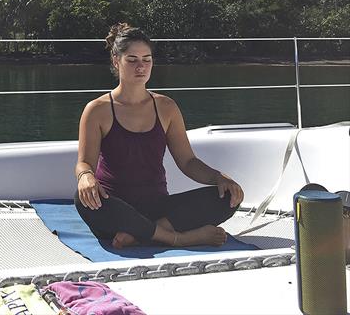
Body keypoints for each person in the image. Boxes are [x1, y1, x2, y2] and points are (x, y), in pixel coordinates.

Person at [75, 23, 244, 248]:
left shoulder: (166, 107)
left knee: (226, 198)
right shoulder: (97, 110)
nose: (141, 66)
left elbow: (187, 161)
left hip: (157, 206)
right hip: (116, 208)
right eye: (132, 59)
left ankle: (140, 233)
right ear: (116, 61)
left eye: (147, 59)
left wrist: (219, 178)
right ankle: (177, 238)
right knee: (82, 200)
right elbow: (84, 162)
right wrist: (85, 177)